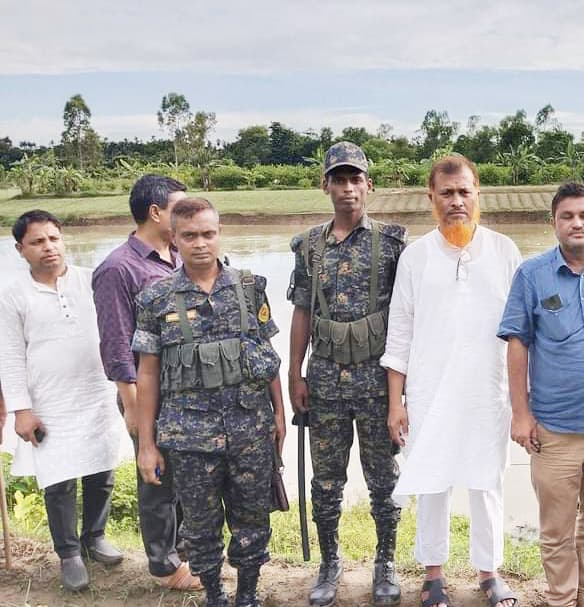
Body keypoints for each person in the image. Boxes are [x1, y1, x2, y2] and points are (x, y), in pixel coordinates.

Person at [382, 155, 522, 607]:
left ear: (478, 194)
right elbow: (399, 332)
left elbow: (521, 333)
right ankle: (434, 576)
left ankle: (489, 572)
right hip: (429, 391)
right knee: (431, 480)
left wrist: (523, 403)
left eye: (464, 192)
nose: (456, 201)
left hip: (489, 390)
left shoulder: (505, 251)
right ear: (432, 199)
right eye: (447, 193)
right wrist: (395, 402)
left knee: (487, 483)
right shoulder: (415, 257)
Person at [133, 198, 286, 607]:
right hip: (188, 437)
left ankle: (248, 595)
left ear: (219, 233)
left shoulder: (250, 287)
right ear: (174, 238)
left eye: (208, 233)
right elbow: (147, 374)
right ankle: (215, 596)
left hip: (250, 430)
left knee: (252, 520)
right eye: (190, 236)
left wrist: (280, 416)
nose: (201, 243)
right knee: (199, 528)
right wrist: (147, 445)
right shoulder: (155, 298)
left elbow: (268, 357)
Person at [498, 182, 584, 607]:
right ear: (554, 224)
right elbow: (517, 343)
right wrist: (520, 415)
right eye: (567, 216)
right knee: (557, 526)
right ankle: (561, 597)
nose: (576, 223)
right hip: (555, 426)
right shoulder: (531, 274)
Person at [287, 140, 407, 607]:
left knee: (383, 479)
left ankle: (386, 562)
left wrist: (403, 390)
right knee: (327, 481)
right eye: (339, 179)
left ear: (369, 186)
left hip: (378, 383)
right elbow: (301, 310)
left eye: (355, 179)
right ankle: (330, 562)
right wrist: (295, 374)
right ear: (325, 186)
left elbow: (407, 315)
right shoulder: (308, 246)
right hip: (325, 382)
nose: (348, 187)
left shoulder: (393, 243)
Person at [0, 210, 127, 592]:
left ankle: (95, 536)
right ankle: (69, 553)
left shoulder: (93, 280)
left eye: (53, 238)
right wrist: (22, 409)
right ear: (21, 249)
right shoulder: (12, 295)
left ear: (63, 239)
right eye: (37, 242)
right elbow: (8, 355)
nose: (48, 247)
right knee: (59, 478)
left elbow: (118, 332)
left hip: (97, 390)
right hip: (48, 399)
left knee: (101, 468)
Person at [91, 174, 201, 591]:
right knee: (156, 476)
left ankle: (189, 553)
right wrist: (134, 407)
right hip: (148, 392)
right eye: (180, 208)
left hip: (187, 389)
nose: (188, 216)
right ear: (156, 212)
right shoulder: (118, 269)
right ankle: (164, 566)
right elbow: (117, 346)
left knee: (188, 474)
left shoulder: (177, 256)